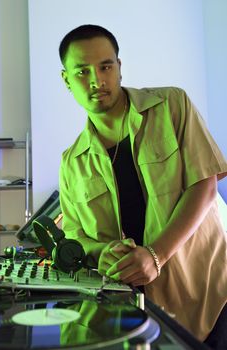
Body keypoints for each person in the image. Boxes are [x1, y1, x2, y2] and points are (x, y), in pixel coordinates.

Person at [58, 24, 227, 349]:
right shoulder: (71, 162)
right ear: (66, 79)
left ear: (119, 68)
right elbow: (76, 236)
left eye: (105, 66)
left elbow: (204, 186)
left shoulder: (172, 105)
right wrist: (102, 253)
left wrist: (156, 254)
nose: (96, 80)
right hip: (137, 314)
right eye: (82, 71)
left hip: (208, 294)